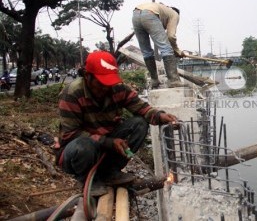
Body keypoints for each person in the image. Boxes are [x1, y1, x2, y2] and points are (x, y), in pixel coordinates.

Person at [55, 51, 178, 195]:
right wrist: (109, 142)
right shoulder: (72, 94)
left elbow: (142, 108)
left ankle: (110, 171)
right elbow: (71, 135)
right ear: (87, 77)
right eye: (101, 84)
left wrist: (160, 116)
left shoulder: (117, 89)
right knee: (84, 146)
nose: (105, 88)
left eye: (108, 83)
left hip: (105, 147)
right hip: (79, 152)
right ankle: (87, 179)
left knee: (139, 124)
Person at [132, 2, 186, 89]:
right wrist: (177, 51)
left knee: (146, 51)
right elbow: (171, 36)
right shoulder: (175, 14)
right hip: (150, 14)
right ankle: (174, 81)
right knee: (166, 49)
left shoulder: (163, 10)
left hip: (135, 14)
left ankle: (154, 80)